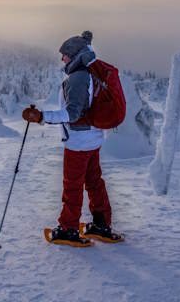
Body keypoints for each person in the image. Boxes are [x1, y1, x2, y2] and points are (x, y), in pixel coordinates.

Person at [22, 31, 120, 244]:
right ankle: (101, 224)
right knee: (94, 182)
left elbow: (73, 114)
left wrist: (42, 117)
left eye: (65, 55)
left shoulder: (78, 78)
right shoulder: (91, 72)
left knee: (72, 185)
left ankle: (68, 228)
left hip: (78, 142)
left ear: (74, 55)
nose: (62, 59)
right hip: (93, 138)